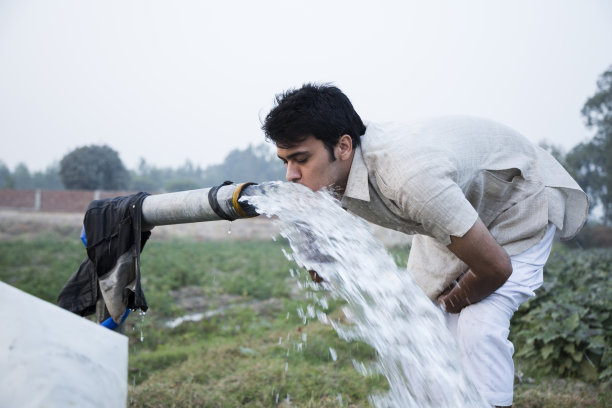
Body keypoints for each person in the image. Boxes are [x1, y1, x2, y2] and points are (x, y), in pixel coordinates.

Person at [261, 83, 588, 408]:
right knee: (419, 331)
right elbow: (321, 273)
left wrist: (449, 302)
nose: (291, 175)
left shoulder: (407, 178)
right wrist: (304, 226)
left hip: (514, 204)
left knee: (476, 327)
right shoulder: (331, 177)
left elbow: (495, 268)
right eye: (285, 161)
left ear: (343, 147)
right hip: (452, 214)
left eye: (300, 159)